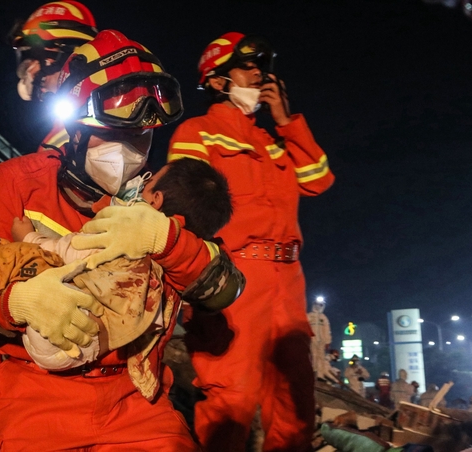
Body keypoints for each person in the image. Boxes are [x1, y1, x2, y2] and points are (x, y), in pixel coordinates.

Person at [0, 30, 242, 450]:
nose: (130, 151)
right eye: (115, 133)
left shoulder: (159, 203)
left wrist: (165, 240)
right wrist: (16, 303)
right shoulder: (20, 182)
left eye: (142, 136)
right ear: (75, 128)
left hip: (137, 400)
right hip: (36, 400)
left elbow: (222, 289)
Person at [0, 158, 235, 381]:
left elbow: (224, 286)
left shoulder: (130, 227)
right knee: (9, 265)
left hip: (64, 344)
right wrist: (16, 304)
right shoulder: (24, 177)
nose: (138, 171)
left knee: (19, 258)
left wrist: (29, 238)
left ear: (155, 200)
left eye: (148, 180)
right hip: (64, 369)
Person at [167, 31, 335, 451]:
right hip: (234, 277)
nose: (259, 75)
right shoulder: (197, 132)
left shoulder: (274, 141)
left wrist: (286, 120)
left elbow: (318, 180)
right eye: (247, 67)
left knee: (296, 399)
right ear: (218, 80)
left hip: (288, 281)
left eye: (262, 67)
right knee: (232, 398)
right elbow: (182, 208)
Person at [10, 1, 98, 150]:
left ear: (66, 55)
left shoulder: (99, 121)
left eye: (35, 59)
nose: (30, 72)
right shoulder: (63, 129)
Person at [308, 297, 332, 376]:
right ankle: (313, 372)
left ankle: (320, 375)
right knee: (313, 356)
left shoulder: (323, 318)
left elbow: (327, 330)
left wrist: (328, 342)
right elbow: (305, 327)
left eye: (320, 304)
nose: (318, 306)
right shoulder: (309, 316)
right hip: (312, 340)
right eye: (317, 304)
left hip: (321, 341)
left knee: (321, 357)